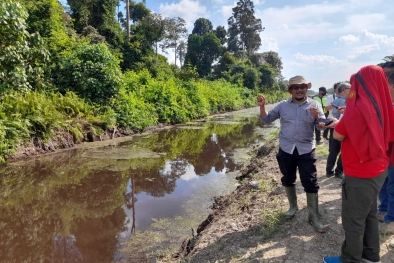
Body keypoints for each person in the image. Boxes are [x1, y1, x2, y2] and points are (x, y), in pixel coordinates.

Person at [323, 65, 394, 263]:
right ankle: (371, 257)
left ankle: (350, 259)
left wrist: (340, 122)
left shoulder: (356, 109)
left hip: (360, 173)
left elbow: (337, 135)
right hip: (379, 169)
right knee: (369, 214)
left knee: (354, 220)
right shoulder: (386, 108)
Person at [257, 75, 327, 232]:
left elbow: (322, 127)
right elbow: (267, 119)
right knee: (288, 178)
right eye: (295, 87)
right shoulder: (282, 106)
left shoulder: (315, 104)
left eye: (302, 87)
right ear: (290, 91)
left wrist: (317, 118)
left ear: (306, 89)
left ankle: (314, 216)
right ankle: (293, 207)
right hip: (286, 148)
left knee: (310, 181)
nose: (300, 90)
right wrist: (262, 106)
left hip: (306, 149)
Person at [377, 63, 394, 233]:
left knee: (391, 187)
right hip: (386, 157)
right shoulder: (386, 106)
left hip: (391, 157)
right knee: (384, 185)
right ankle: (383, 210)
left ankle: (391, 220)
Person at [325, 83, 350, 179]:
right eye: (350, 88)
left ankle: (329, 171)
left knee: (333, 151)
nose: (352, 90)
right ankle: (338, 171)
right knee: (343, 151)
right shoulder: (345, 101)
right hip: (342, 128)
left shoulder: (335, 100)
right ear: (344, 90)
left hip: (333, 128)